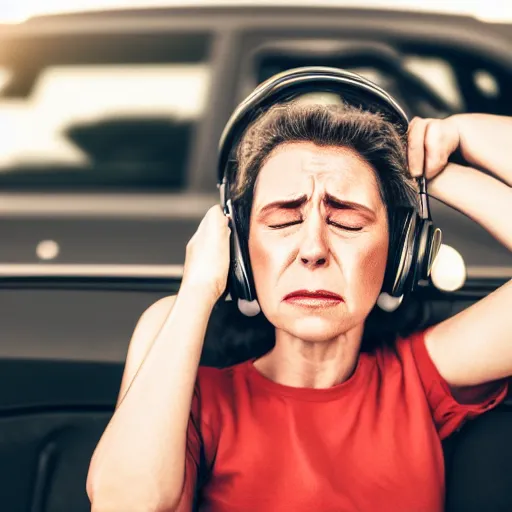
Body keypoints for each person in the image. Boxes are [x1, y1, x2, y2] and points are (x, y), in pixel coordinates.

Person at [86, 79, 512, 512]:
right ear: (239, 250)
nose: (313, 249)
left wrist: (450, 152)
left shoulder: (417, 379)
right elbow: (124, 502)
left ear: (402, 250)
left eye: (346, 220)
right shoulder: (199, 401)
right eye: (282, 220)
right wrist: (197, 290)